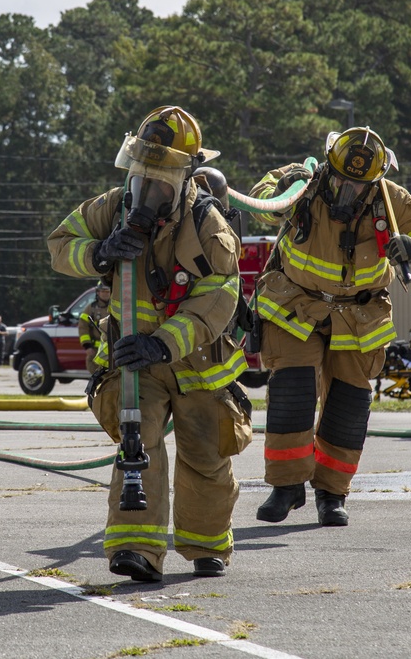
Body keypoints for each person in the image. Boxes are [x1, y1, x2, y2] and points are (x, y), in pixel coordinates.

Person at [48, 105, 253, 581]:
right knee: (137, 449)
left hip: (197, 363)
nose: (147, 189)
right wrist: (98, 251)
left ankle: (206, 548)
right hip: (136, 364)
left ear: (184, 178)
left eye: (161, 179)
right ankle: (136, 550)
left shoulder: (208, 226)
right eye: (142, 173)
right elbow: (61, 244)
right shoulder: (112, 207)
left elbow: (217, 300)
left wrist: (162, 344)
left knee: (206, 455)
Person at [245, 126, 411, 526]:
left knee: (347, 404)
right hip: (296, 303)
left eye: (357, 185)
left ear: (375, 179)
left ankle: (330, 493)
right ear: (329, 165)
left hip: (359, 315)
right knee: (291, 390)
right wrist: (282, 184)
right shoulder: (302, 182)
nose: (346, 190)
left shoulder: (390, 199)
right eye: (340, 179)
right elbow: (261, 202)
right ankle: (287, 488)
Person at [79, 279, 111, 374]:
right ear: (98, 292)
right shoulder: (91, 309)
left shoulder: (115, 307)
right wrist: (87, 346)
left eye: (107, 291)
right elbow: (83, 328)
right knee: (97, 378)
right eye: (103, 291)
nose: (105, 294)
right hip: (95, 352)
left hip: (113, 350)